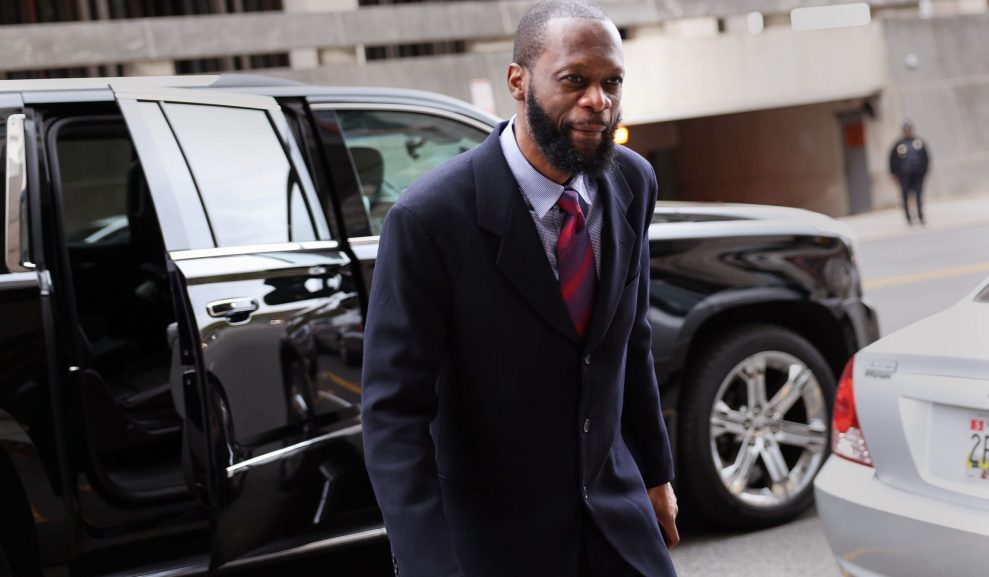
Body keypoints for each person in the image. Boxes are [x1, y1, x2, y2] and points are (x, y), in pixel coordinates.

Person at [360, 1, 678, 575]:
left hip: (618, 519)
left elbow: (631, 339)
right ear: (518, 80)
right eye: (574, 80)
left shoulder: (634, 181)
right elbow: (392, 414)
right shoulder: (428, 218)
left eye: (612, 83)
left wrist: (656, 475)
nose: (597, 102)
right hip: (497, 542)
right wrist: (428, 563)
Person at [888, 120, 931, 225]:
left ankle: (920, 217)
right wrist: (893, 173)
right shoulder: (899, 144)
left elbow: (926, 157)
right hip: (904, 176)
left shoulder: (918, 142)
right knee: (905, 196)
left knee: (918, 196)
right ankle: (908, 218)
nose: (907, 132)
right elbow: (892, 159)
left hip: (917, 175)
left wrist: (924, 171)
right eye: (905, 130)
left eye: (908, 130)